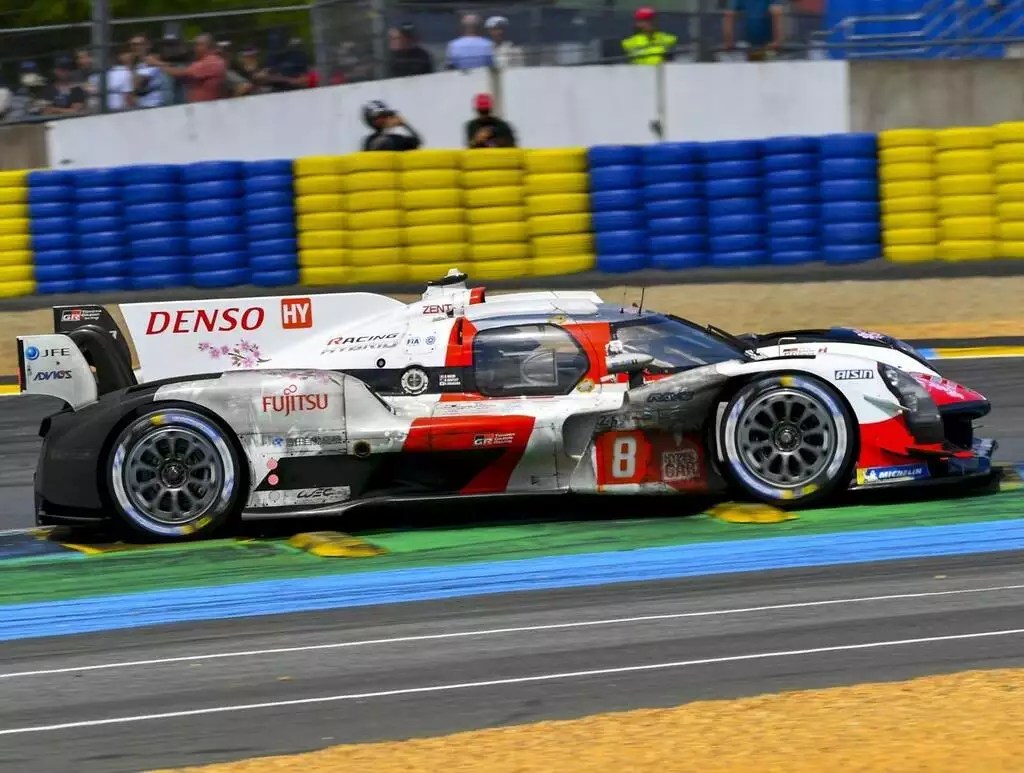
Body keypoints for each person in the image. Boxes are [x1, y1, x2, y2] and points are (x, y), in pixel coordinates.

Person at [147, 33, 226, 103]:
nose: (194, 47)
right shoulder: (200, 61)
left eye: (198, 44)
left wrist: (156, 63)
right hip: (195, 105)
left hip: (205, 107)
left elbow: (179, 73)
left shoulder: (212, 61)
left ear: (209, 46)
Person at [105, 46, 137, 111]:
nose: (129, 56)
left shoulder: (103, 73)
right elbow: (129, 98)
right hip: (120, 111)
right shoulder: (124, 72)